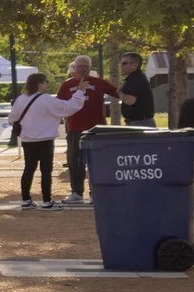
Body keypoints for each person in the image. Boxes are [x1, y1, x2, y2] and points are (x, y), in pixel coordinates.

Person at [8, 70, 88, 209]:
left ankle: (26, 199)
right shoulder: (46, 99)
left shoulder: (21, 99)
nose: (47, 84)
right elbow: (69, 107)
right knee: (46, 170)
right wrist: (80, 92)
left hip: (27, 139)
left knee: (28, 169)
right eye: (45, 82)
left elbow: (12, 119)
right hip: (45, 139)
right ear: (40, 84)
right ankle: (47, 200)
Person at [54, 56, 118, 205]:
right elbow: (58, 106)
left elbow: (117, 92)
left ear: (89, 68)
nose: (82, 69)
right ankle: (76, 192)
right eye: (79, 66)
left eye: (85, 66)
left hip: (96, 130)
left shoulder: (98, 82)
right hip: (75, 128)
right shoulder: (66, 85)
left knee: (96, 162)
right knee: (74, 161)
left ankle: (96, 193)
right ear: (74, 68)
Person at [116, 52, 156, 126]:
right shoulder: (135, 77)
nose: (121, 66)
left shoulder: (136, 79)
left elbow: (130, 101)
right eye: (121, 64)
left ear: (135, 64)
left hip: (140, 123)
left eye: (124, 63)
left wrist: (119, 92)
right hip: (139, 121)